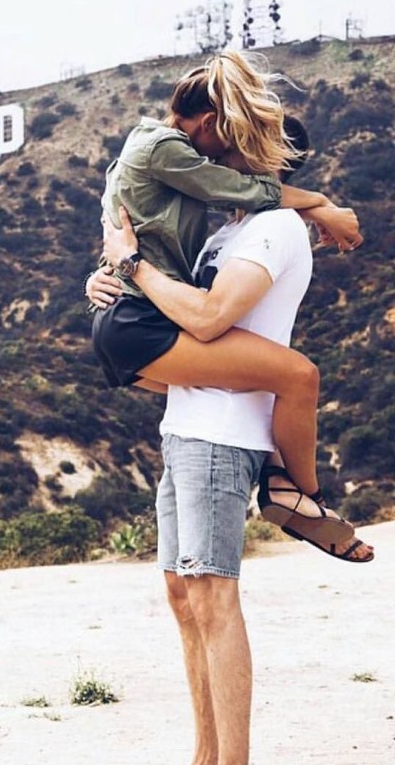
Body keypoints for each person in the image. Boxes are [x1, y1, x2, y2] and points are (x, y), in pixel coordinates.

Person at [87, 122, 373, 765]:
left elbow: (211, 319)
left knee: (213, 598)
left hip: (224, 432)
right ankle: (206, 758)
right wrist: (108, 279)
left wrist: (131, 265)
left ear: (265, 158)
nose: (212, 153)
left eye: (234, 142)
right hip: (187, 423)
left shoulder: (272, 228)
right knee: (184, 596)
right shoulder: (229, 229)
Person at [90, 49, 362, 542]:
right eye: (229, 135)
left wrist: (106, 274)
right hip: (138, 323)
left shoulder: (171, 170)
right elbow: (238, 190)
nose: (218, 154)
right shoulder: (165, 148)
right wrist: (321, 206)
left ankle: (279, 480)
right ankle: (306, 500)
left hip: (133, 322)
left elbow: (138, 230)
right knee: (299, 376)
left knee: (251, 382)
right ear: (211, 120)